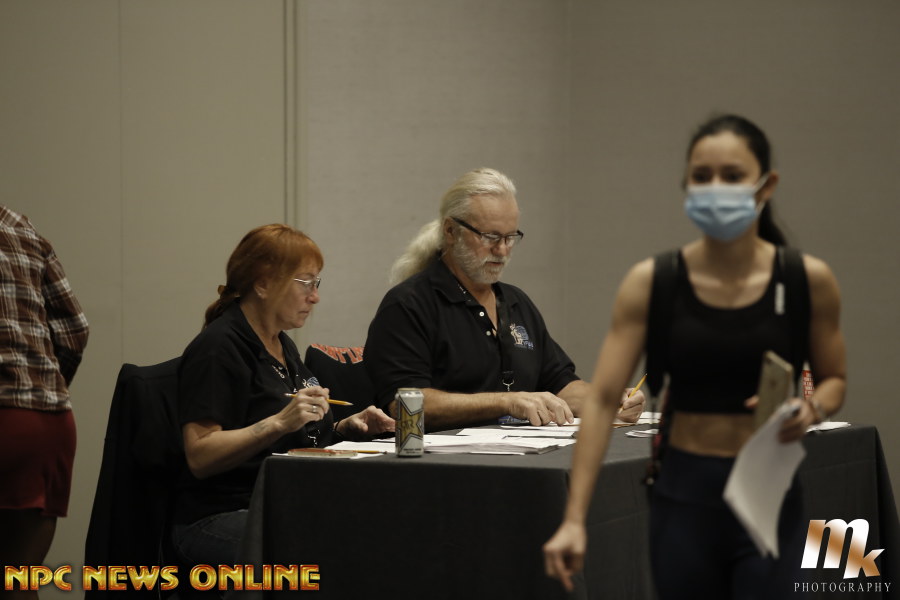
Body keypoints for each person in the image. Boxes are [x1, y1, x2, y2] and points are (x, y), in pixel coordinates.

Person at [543, 115, 846, 598]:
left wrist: (812, 409)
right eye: (702, 176)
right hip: (684, 490)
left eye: (732, 175)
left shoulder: (805, 279)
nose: (715, 188)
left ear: (766, 185)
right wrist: (575, 518)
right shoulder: (653, 282)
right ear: (686, 184)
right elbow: (601, 401)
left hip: (766, 489)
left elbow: (834, 380)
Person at [172, 224, 394, 568]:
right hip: (219, 514)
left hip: (279, 500)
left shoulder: (280, 343)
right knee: (338, 550)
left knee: (383, 524)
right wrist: (279, 422)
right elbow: (200, 455)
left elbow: (292, 439)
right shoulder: (219, 348)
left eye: (316, 284)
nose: (314, 297)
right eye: (305, 283)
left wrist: (345, 427)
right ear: (263, 284)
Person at [364, 167, 645, 431]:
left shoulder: (515, 302)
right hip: (439, 460)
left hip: (520, 455)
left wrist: (609, 401)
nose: (502, 250)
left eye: (510, 237)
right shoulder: (409, 304)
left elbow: (561, 384)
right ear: (451, 231)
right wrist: (507, 402)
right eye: (490, 237)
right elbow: (405, 404)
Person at [0, 206, 89, 600]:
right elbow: (75, 330)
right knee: (20, 579)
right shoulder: (16, 224)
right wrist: (40, 390)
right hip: (47, 423)